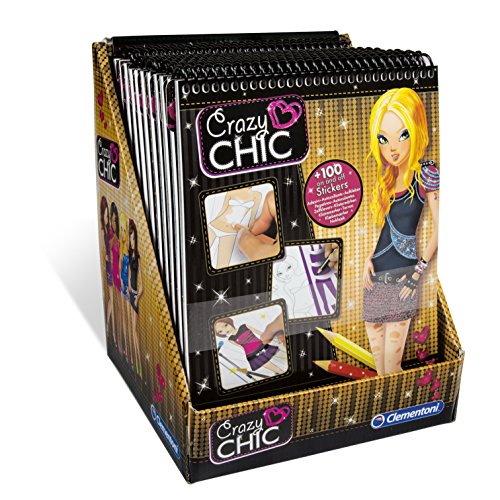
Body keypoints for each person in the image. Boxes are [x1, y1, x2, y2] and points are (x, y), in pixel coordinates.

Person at [363, 88, 439, 376]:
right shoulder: (386, 178)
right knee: (379, 366)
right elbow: (384, 227)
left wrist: (417, 274)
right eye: (383, 139)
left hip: (404, 276)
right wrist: (368, 260)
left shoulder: (425, 174)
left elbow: (440, 230)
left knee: (392, 365)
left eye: (402, 135)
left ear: (416, 130)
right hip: (375, 275)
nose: (392, 148)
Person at [214, 316, 286, 375]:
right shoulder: (231, 339)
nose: (225, 330)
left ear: (229, 322)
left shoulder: (244, 326)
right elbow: (242, 347)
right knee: (273, 368)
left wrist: (271, 337)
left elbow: (258, 332)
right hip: (252, 354)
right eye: (220, 331)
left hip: (261, 345)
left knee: (282, 355)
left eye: (225, 325)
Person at [128, 219, 143, 376]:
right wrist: (128, 289)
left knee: (134, 330)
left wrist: (137, 297)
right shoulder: (129, 255)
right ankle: (133, 359)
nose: (132, 242)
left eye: (133, 239)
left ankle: (138, 362)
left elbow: (142, 285)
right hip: (129, 293)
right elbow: (128, 278)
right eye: (130, 239)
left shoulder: (137, 258)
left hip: (135, 296)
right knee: (131, 329)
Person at [100, 196, 115, 345]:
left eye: (108, 216)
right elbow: (104, 249)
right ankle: (109, 327)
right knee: (111, 298)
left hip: (113, 264)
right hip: (110, 266)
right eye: (105, 216)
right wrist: (106, 254)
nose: (107, 219)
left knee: (113, 298)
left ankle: (109, 326)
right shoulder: (104, 231)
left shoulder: (109, 230)